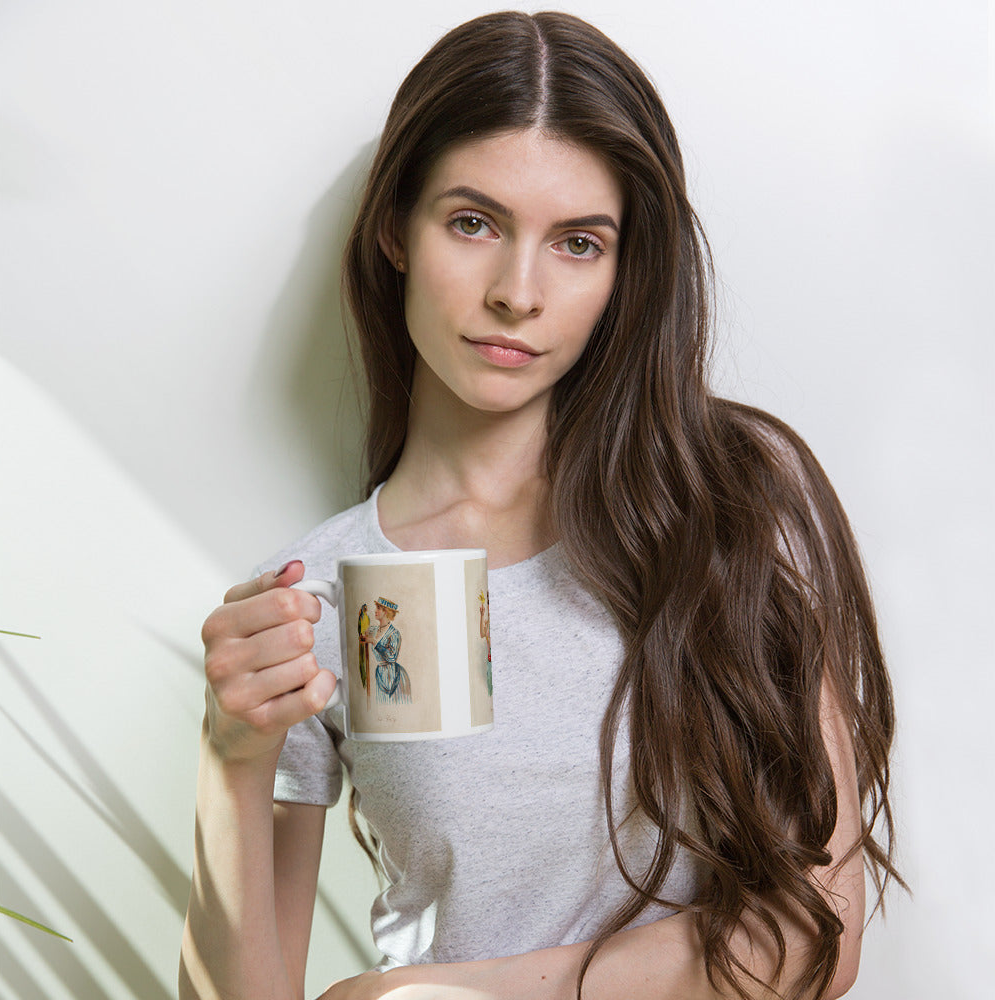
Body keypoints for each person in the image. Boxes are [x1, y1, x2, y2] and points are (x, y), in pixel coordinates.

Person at [179, 11, 901, 1000]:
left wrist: (428, 995)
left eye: (577, 242)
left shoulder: (735, 495)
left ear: (623, 269)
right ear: (394, 227)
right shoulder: (320, 596)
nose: (518, 292)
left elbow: (811, 936)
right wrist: (233, 759)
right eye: (472, 222)